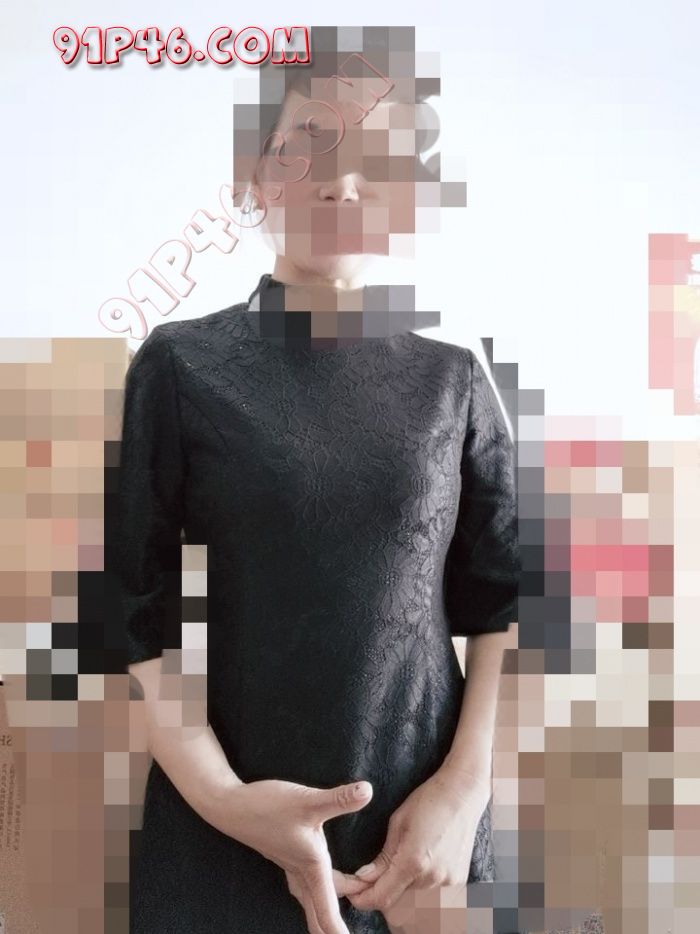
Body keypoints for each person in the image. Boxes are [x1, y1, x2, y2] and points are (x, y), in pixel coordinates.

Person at [116, 26, 521, 934]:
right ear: (257, 174)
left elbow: (505, 604)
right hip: (224, 837)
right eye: (310, 144)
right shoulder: (181, 366)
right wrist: (226, 802)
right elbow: (135, 612)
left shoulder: (451, 381)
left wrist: (464, 791)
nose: (343, 181)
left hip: (419, 843)